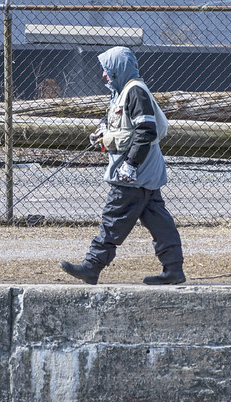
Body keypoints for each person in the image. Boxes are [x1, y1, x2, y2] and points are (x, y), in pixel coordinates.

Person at [59, 46, 185, 286]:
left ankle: (91, 267)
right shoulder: (122, 92)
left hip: (134, 174)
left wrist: (130, 164)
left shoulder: (135, 91)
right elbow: (119, 123)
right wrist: (101, 131)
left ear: (118, 69)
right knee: (159, 221)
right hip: (145, 173)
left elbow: (145, 130)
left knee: (113, 217)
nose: (104, 75)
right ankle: (173, 270)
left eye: (107, 70)